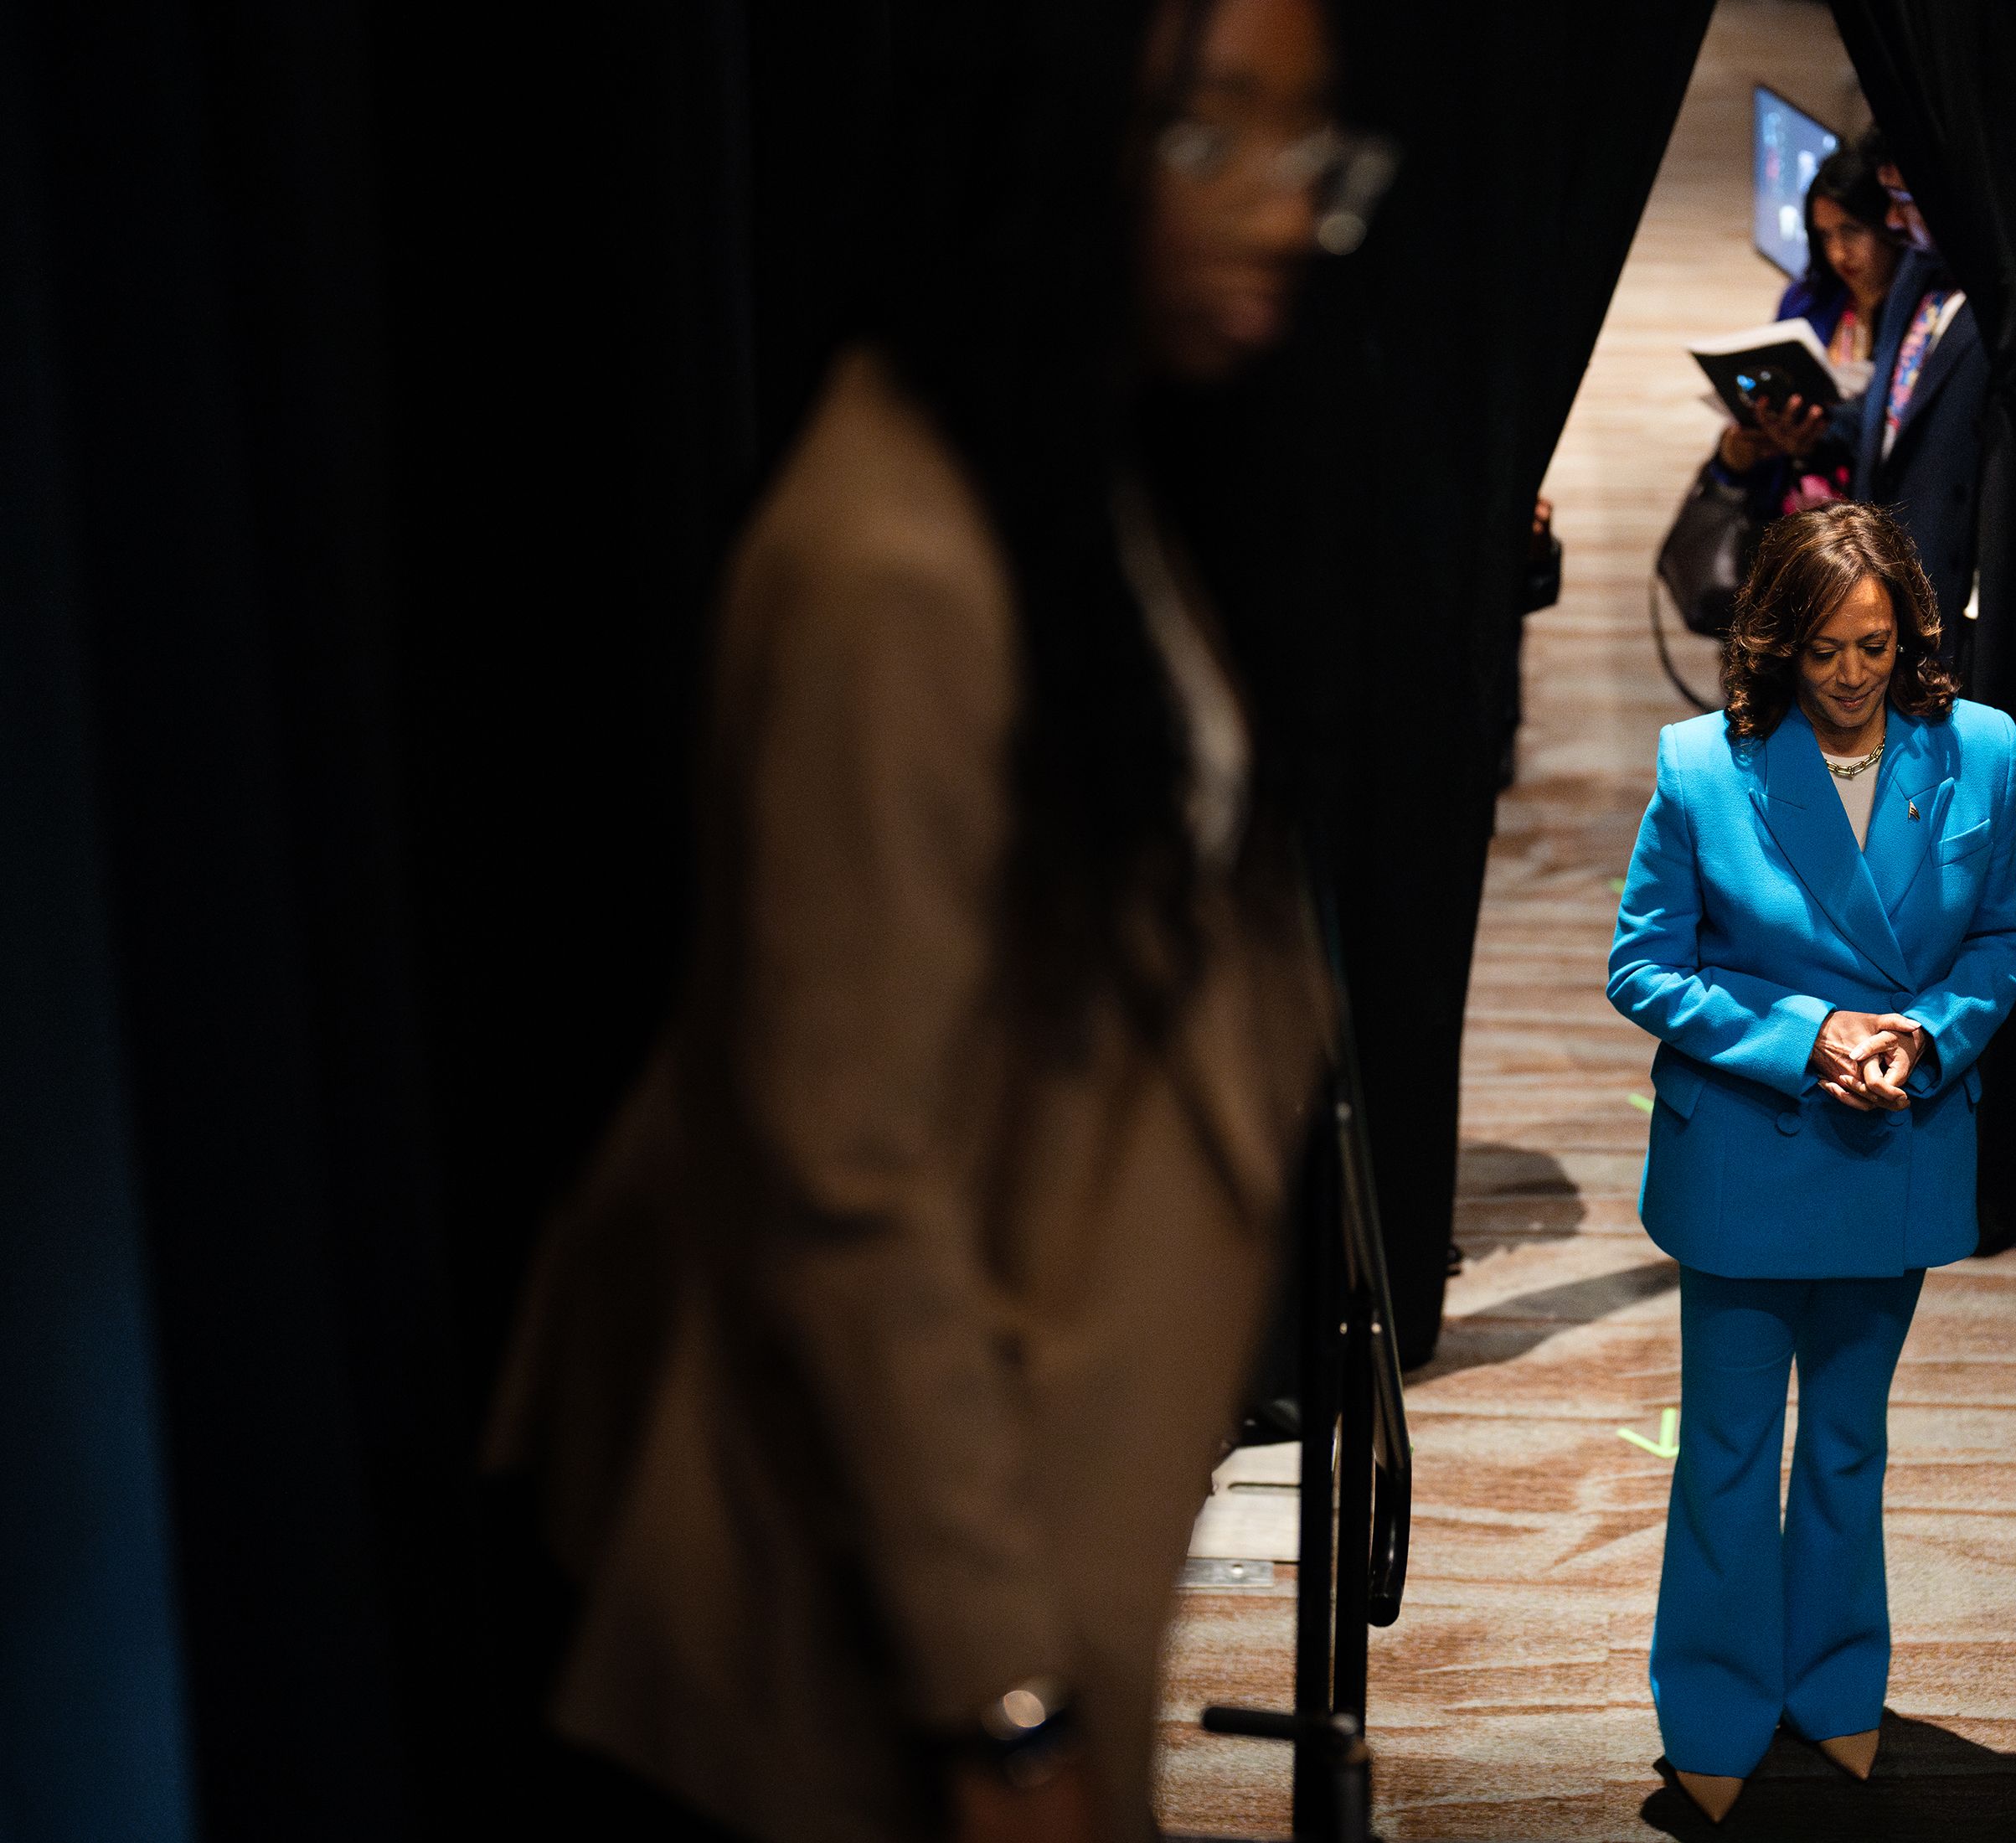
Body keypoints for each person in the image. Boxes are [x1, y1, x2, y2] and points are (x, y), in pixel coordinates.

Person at [482, 2, 1366, 1840]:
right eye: (1217, 137)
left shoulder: (1083, 474)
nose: (1283, 210)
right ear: (1050, 142)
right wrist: (1008, 1703)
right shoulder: (890, 558)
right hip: (880, 1601)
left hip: (1057, 1507)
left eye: (1308, 148)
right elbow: (844, 1178)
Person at [1605, 501, 2016, 1823]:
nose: (1854, 677)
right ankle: (1718, 1713)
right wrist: (1808, 1035)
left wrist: (1921, 1032)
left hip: (1891, 1147)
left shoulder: (1982, 752)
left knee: (1849, 1445)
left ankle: (1838, 1693)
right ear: (1779, 644)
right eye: (1828, 651)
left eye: (1878, 647)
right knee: (1728, 1453)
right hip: (1749, 1156)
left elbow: (2000, 944)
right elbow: (1642, 966)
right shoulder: (1698, 767)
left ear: (1912, 638)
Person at [1849, 136, 1990, 661]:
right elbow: (1890, 416)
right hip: (1877, 586)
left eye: (1904, 200)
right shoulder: (1914, 272)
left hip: (1948, 612)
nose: (1890, 219)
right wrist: (1818, 425)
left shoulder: (2005, 315)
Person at [1712, 142, 1902, 516]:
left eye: (1851, 230)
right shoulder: (1806, 301)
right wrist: (1737, 450)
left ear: (1887, 225)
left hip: (1869, 527)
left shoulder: (1913, 316)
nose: (1838, 253)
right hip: (1787, 517)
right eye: (1825, 235)